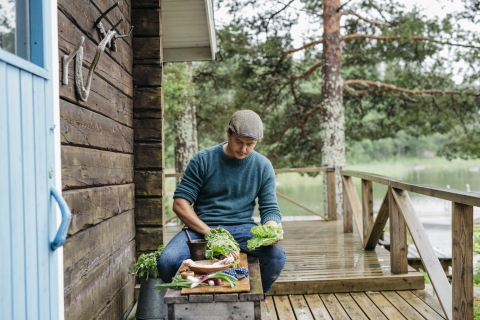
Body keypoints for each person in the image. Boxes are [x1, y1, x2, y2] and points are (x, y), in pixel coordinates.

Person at [157, 110, 286, 293]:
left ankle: (250, 299)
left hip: (242, 228)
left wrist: (272, 228)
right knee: (167, 262)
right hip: (202, 228)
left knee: (276, 259)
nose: (243, 149)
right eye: (239, 142)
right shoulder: (203, 159)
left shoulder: (263, 166)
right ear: (228, 134)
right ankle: (193, 304)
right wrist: (209, 232)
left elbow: (270, 207)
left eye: (250, 144)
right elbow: (180, 203)